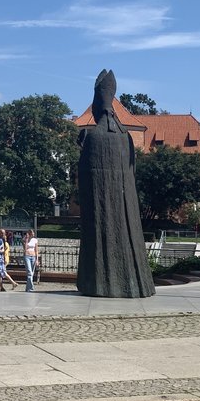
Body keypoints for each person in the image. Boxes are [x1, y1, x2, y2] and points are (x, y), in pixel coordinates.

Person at [76, 69, 155, 298]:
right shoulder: (126, 138)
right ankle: (137, 284)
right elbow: (132, 173)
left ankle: (98, 284)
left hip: (100, 215)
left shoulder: (92, 137)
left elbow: (86, 177)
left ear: (96, 106)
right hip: (126, 211)